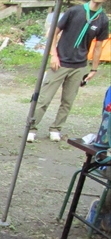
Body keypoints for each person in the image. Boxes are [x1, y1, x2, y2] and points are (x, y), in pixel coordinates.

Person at [27, 0, 108, 143]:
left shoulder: (102, 19)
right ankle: (31, 128)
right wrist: (54, 54)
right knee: (44, 98)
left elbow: (98, 47)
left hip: (79, 65)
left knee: (67, 101)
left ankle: (55, 128)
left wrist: (94, 69)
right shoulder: (75, 11)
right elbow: (54, 32)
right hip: (60, 62)